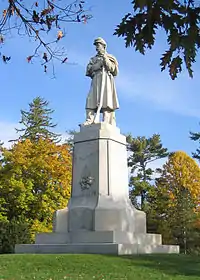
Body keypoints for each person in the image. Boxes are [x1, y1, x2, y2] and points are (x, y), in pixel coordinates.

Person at [83, 37, 119, 126]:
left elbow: (113, 69)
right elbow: (88, 70)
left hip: (106, 79)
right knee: (91, 99)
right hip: (96, 79)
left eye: (98, 45)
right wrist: (98, 65)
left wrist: (105, 59)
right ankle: (89, 119)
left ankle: (106, 119)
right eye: (96, 46)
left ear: (103, 46)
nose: (96, 48)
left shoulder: (110, 57)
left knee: (106, 99)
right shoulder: (93, 59)